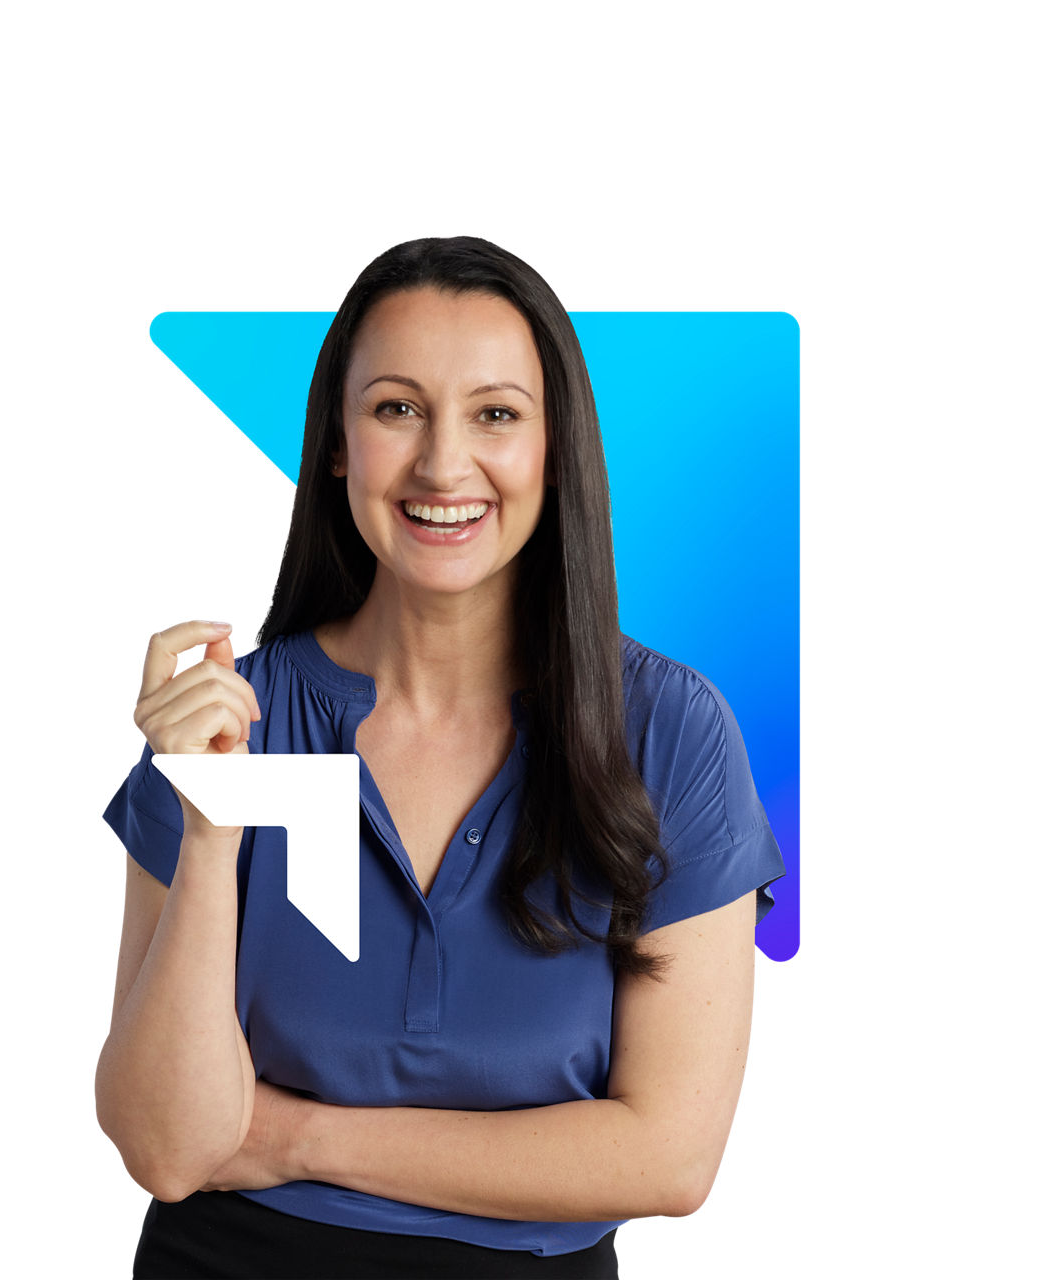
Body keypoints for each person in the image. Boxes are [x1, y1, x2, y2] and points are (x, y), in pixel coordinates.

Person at [97, 236, 786, 1279]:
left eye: (495, 414)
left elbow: (668, 1154)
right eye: (395, 408)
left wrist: (289, 1137)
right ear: (336, 441)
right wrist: (205, 825)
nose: (441, 465)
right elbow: (167, 1144)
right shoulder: (234, 718)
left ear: (555, 447)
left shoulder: (668, 731)